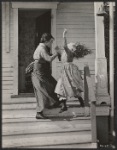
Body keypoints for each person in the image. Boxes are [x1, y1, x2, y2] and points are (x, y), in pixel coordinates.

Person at [31, 33, 61, 119]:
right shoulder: (41, 49)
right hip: (39, 71)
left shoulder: (43, 47)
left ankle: (53, 104)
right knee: (43, 89)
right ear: (46, 41)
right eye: (51, 42)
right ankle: (39, 112)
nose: (51, 44)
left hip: (43, 71)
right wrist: (56, 53)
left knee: (53, 85)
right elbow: (48, 59)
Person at [55, 29, 85, 113]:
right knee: (62, 86)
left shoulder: (69, 53)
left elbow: (64, 46)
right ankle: (64, 105)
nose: (67, 47)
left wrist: (64, 35)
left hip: (69, 71)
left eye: (69, 47)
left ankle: (81, 102)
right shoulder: (65, 54)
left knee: (73, 85)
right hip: (65, 71)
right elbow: (62, 59)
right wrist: (58, 52)